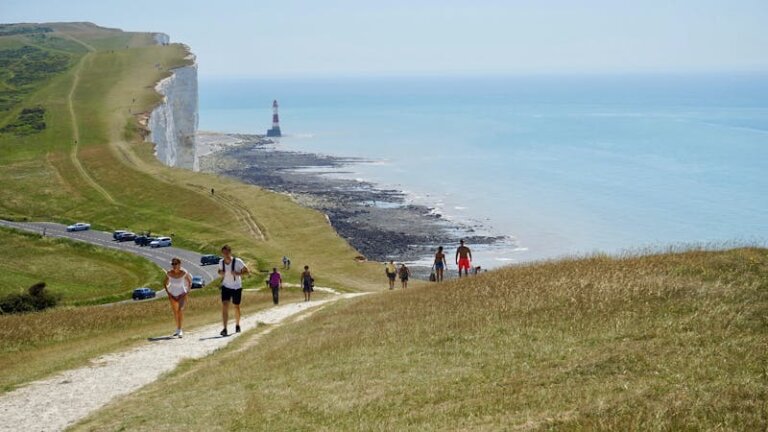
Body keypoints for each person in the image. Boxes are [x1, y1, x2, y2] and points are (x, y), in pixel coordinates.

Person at [218, 245, 249, 336]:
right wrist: (221, 273)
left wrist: (238, 273)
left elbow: (247, 271)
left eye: (227, 252)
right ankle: (224, 328)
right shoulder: (221, 262)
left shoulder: (238, 261)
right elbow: (219, 271)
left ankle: (237, 324)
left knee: (236, 306)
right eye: (224, 253)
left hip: (236, 287)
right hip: (225, 286)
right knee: (225, 305)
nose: (226, 254)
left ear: (230, 252)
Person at [164, 257, 192, 338]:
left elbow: (189, 282)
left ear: (179, 264)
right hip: (172, 294)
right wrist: (168, 293)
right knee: (175, 312)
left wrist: (186, 292)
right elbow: (164, 283)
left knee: (180, 310)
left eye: (176, 264)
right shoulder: (169, 273)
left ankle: (180, 330)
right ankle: (177, 329)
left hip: (181, 294)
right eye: (173, 264)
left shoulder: (183, 272)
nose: (174, 265)